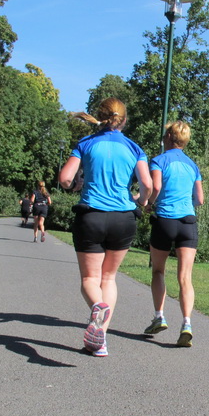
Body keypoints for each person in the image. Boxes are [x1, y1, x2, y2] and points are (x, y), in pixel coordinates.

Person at [59, 97, 152, 357]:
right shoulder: (134, 148)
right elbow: (148, 185)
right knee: (109, 278)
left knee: (90, 279)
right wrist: (142, 201)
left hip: (92, 216)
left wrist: (74, 185)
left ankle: (97, 307)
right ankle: (100, 341)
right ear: (124, 120)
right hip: (123, 219)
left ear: (100, 117)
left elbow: (65, 178)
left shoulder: (86, 143)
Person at [143, 121, 204, 347]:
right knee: (185, 278)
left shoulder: (159, 160)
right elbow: (200, 199)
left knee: (158, 271)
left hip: (165, 221)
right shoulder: (193, 166)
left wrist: (149, 203)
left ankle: (159, 317)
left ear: (169, 136)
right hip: (187, 222)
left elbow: (156, 187)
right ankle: (187, 324)